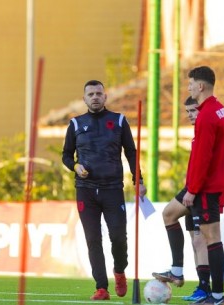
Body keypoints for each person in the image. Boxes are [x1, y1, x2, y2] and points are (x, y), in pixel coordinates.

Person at [62, 80, 147, 301]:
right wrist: (75, 166)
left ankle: (120, 271)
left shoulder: (118, 121)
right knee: (93, 239)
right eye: (90, 94)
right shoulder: (75, 124)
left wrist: (139, 179)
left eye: (99, 93)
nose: (95, 97)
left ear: (105, 97)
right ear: (84, 98)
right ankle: (101, 287)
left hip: (112, 189)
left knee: (118, 237)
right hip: (85, 190)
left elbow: (131, 151)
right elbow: (66, 155)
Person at [180, 66, 224, 305]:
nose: (189, 88)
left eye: (191, 84)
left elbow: (203, 157)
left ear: (200, 86)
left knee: (212, 238)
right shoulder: (221, 110)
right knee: (172, 215)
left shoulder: (207, 115)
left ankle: (217, 295)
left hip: (206, 188)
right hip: (215, 184)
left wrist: (192, 189)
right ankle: (179, 272)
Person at [152, 96, 212, 303]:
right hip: (193, 188)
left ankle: (202, 286)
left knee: (199, 239)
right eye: (187, 112)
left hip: (200, 189)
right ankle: (183, 275)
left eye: (193, 111)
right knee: (188, 232)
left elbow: (206, 163)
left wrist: (193, 189)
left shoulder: (207, 130)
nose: (190, 115)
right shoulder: (197, 133)